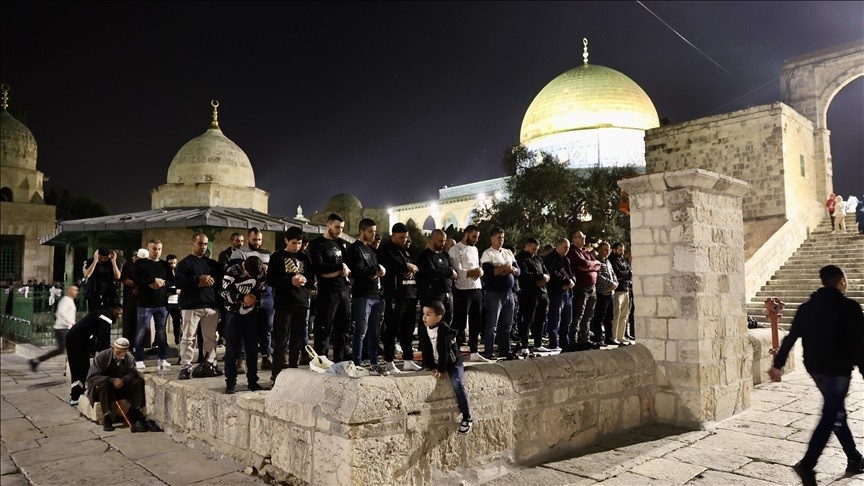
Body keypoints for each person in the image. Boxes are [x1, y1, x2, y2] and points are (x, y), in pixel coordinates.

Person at [769, 265, 864, 484]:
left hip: (815, 368)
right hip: (837, 371)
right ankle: (807, 465)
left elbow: (791, 337)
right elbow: (859, 345)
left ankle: (854, 458)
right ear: (841, 281)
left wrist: (778, 364)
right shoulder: (849, 307)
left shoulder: (806, 308)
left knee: (836, 410)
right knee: (830, 415)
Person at [418, 300, 473, 435]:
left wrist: (441, 369)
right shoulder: (423, 329)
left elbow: (445, 353)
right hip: (437, 362)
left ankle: (467, 416)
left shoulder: (446, 332)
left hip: (453, 363)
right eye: (423, 314)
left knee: (457, 382)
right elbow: (426, 350)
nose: (424, 317)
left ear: (438, 318)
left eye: (428, 314)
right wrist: (429, 366)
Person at [174, 232, 224, 380]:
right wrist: (198, 279)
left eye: (205, 244)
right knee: (188, 339)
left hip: (210, 306)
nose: (203, 247)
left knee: (210, 338)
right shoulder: (184, 264)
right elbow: (178, 283)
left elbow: (221, 282)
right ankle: (185, 368)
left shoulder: (212, 264)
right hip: (191, 306)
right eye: (200, 243)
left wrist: (211, 281)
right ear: (193, 243)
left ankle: (210, 365)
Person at [268, 227, 315, 378]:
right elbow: (271, 280)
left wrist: (305, 280)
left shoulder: (305, 258)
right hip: (284, 304)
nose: (297, 246)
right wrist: (290, 280)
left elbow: (312, 279)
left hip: (301, 303)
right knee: (281, 340)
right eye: (294, 243)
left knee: (297, 340)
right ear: (286, 240)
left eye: (299, 243)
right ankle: (276, 374)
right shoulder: (277, 256)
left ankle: (293, 374)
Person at [221, 256, 268, 394]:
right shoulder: (232, 272)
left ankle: (253, 381)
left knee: (252, 350)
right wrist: (242, 298)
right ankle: (230, 383)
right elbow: (224, 292)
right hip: (234, 315)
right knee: (232, 350)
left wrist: (254, 299)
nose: (251, 276)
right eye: (248, 273)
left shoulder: (261, 272)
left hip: (252, 315)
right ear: (244, 267)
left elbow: (262, 289)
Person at [308, 213, 352, 362]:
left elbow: (349, 268)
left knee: (342, 329)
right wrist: (340, 268)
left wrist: (336, 272)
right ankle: (322, 362)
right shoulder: (317, 244)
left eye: (342, 227)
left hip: (343, 291)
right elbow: (320, 269)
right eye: (337, 227)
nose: (340, 230)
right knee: (323, 329)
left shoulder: (340, 244)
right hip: (327, 293)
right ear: (328, 225)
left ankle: (340, 362)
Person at [230, 228, 275, 371]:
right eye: (254, 239)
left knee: (267, 326)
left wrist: (269, 270)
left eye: (259, 240)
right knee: (245, 329)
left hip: (266, 295)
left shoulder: (268, 254)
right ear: (248, 238)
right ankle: (240, 359)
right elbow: (236, 274)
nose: (257, 242)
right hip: (248, 294)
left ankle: (266, 355)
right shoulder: (239, 253)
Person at [345, 218, 387, 372]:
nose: (373, 234)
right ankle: (357, 363)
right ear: (362, 231)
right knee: (360, 331)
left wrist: (378, 271)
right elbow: (358, 272)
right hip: (363, 295)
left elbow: (377, 271)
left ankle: (374, 361)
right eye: (370, 231)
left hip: (376, 295)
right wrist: (376, 270)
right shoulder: (355, 249)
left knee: (375, 331)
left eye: (374, 232)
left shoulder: (371, 250)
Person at [378, 222, 420, 373]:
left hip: (410, 294)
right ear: (393, 236)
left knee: (408, 329)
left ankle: (408, 359)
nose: (404, 240)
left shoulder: (407, 251)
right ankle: (389, 361)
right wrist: (404, 267)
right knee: (392, 329)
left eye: (406, 238)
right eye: (401, 237)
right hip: (395, 295)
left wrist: (409, 267)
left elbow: (414, 267)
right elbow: (387, 269)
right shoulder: (386, 250)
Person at [85, 337, 150, 432]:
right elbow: (92, 377)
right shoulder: (102, 356)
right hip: (102, 390)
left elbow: (133, 373)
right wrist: (111, 380)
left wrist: (122, 380)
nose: (121, 354)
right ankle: (107, 417)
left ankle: (135, 411)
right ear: (113, 348)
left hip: (119, 387)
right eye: (119, 351)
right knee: (104, 384)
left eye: (123, 352)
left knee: (138, 382)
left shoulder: (129, 357)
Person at [65, 303, 123, 405]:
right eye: (118, 311)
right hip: (76, 341)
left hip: (79, 341)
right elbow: (104, 338)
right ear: (112, 309)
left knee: (83, 366)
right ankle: (75, 396)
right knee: (79, 368)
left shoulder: (102, 315)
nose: (119, 314)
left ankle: (78, 393)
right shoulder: (106, 316)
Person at [480, 227, 520, 360]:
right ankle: (489, 351)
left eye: (503, 237)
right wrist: (506, 268)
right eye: (498, 237)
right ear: (492, 238)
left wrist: (509, 269)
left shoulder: (508, 252)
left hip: (509, 293)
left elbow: (518, 271)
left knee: (507, 324)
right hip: (494, 294)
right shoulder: (487, 254)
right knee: (492, 324)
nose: (501, 240)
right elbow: (490, 273)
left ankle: (505, 350)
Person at [449, 225, 488, 362]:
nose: (476, 240)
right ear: (466, 234)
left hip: (476, 288)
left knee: (476, 321)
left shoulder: (475, 249)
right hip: (462, 290)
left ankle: (474, 350)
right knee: (459, 323)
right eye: (474, 236)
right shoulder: (455, 250)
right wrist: (474, 272)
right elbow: (457, 272)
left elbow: (477, 267)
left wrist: (480, 271)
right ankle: (455, 351)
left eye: (477, 237)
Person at [133, 239, 173, 371]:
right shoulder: (140, 263)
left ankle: (162, 358)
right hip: (145, 304)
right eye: (154, 249)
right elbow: (136, 279)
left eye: (159, 249)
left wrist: (162, 283)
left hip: (161, 303)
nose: (157, 251)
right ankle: (138, 358)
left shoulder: (165, 265)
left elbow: (171, 280)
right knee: (141, 331)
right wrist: (152, 281)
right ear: (149, 249)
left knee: (161, 332)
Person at [29, 284, 79, 371]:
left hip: (65, 328)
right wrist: (72, 323)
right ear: (70, 291)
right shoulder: (66, 300)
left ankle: (36, 361)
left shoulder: (69, 300)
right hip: (62, 329)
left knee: (62, 350)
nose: (77, 292)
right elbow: (61, 312)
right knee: (72, 348)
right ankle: (70, 369)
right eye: (75, 290)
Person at [515, 237, 549, 354]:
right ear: (527, 245)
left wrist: (546, 277)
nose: (535, 251)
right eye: (533, 249)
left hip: (542, 292)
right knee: (528, 319)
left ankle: (538, 343)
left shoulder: (538, 258)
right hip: (529, 294)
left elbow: (546, 271)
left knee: (541, 319)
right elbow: (524, 275)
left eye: (537, 249)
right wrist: (540, 277)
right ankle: (525, 345)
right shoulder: (520, 258)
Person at [568, 231, 601, 350]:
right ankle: (574, 340)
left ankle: (585, 340)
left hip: (592, 288)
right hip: (581, 288)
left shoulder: (585, 251)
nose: (584, 239)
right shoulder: (572, 251)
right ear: (574, 238)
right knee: (578, 315)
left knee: (588, 315)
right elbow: (583, 263)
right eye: (581, 237)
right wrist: (592, 265)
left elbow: (598, 266)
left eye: (584, 237)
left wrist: (589, 267)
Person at [417, 229, 456, 326]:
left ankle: (444, 341)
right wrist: (448, 271)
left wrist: (447, 272)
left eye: (444, 241)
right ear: (432, 240)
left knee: (447, 323)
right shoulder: (425, 256)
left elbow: (453, 272)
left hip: (448, 294)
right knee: (432, 324)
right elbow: (433, 273)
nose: (442, 244)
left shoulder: (445, 255)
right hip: (433, 296)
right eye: (440, 241)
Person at [543, 238, 574, 352]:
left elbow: (572, 273)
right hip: (557, 293)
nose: (567, 250)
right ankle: (553, 343)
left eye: (569, 248)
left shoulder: (566, 259)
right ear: (558, 246)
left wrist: (572, 281)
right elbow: (553, 275)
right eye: (565, 247)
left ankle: (564, 343)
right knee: (555, 319)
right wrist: (566, 282)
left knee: (566, 321)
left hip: (568, 293)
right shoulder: (550, 258)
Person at [590, 242, 619, 346]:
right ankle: (598, 339)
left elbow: (613, 274)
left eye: (609, 250)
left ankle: (608, 337)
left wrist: (615, 283)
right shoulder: (596, 261)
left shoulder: (608, 261)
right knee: (598, 317)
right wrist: (610, 283)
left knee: (609, 317)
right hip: (601, 293)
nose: (608, 252)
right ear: (600, 250)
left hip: (610, 293)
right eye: (605, 249)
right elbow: (598, 276)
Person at [120, 249, 146, 345]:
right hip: (131, 296)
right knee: (129, 319)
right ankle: (128, 343)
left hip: (143, 297)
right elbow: (124, 279)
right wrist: (136, 285)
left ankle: (141, 344)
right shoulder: (128, 265)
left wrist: (141, 287)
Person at [82, 246, 120, 312]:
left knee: (107, 316)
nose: (103, 259)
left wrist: (114, 262)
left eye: (105, 258)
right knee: (93, 315)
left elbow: (118, 276)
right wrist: (95, 261)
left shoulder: (111, 263)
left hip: (108, 294)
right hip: (93, 293)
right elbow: (87, 275)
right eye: (101, 257)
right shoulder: (90, 261)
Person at [609, 242, 633, 344]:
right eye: (620, 250)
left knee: (624, 315)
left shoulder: (622, 260)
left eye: (622, 251)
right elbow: (618, 273)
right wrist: (626, 274)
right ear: (614, 250)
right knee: (616, 315)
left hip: (625, 289)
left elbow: (629, 271)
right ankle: (614, 336)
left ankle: (621, 336)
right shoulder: (612, 260)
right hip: (618, 291)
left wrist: (626, 274)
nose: (622, 253)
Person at [165, 254, 182, 345]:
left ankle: (177, 341)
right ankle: (162, 343)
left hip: (176, 302)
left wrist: (174, 291)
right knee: (162, 324)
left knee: (177, 323)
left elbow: (181, 285)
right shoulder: (164, 272)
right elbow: (164, 287)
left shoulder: (178, 272)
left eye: (175, 263)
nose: (173, 265)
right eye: (171, 263)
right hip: (166, 301)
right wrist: (175, 291)